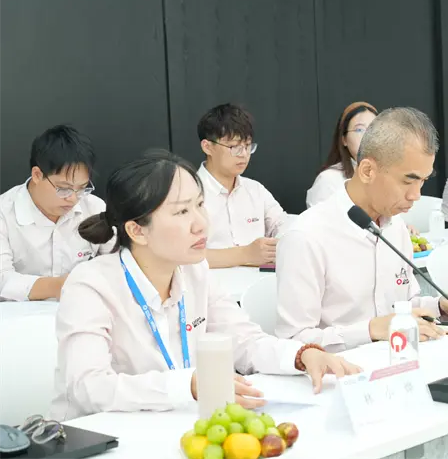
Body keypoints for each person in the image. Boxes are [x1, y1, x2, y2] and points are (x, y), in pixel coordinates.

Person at [50, 150, 360, 421]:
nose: (201, 223)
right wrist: (188, 385)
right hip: (103, 438)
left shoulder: (194, 270)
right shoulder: (91, 285)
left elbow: (245, 341)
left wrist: (301, 355)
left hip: (176, 424)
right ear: (137, 231)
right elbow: (88, 387)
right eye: (182, 211)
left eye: (200, 204)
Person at [275, 107, 448, 353]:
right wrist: (370, 330)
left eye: (423, 181)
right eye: (408, 180)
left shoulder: (395, 226)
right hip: (340, 369)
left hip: (397, 361)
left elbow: (401, 306)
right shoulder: (306, 236)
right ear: (367, 171)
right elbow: (293, 342)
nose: (416, 195)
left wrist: (440, 306)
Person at [0, 125, 112, 301]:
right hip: (18, 315)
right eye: (63, 189)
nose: (73, 198)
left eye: (82, 188)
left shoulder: (94, 208)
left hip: (83, 310)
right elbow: (3, 279)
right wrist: (61, 285)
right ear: (37, 175)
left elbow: (117, 262)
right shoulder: (4, 213)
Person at [196, 103, 288, 268]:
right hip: (212, 283)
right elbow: (182, 255)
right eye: (234, 147)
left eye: (247, 146)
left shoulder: (255, 190)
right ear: (207, 147)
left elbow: (283, 225)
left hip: (260, 281)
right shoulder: (188, 193)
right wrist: (246, 254)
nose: (244, 154)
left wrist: (283, 240)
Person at [306, 102, 378, 208]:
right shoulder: (329, 180)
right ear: (344, 139)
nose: (368, 136)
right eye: (359, 129)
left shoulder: (388, 175)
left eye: (374, 130)